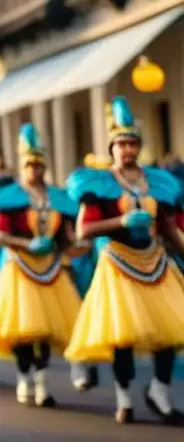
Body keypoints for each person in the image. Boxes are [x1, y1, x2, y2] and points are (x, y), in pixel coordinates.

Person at [65, 96, 184, 425]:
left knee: (170, 331)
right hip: (118, 265)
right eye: (121, 143)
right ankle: (124, 398)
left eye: (133, 143)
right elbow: (83, 230)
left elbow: (170, 228)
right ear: (111, 148)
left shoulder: (158, 182)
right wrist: (121, 223)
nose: (128, 149)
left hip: (155, 263)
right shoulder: (99, 184)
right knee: (123, 335)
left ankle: (159, 391)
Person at [0, 123, 81, 407]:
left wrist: (78, 245)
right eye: (29, 164)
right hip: (20, 269)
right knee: (25, 330)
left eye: (39, 164)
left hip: (51, 270)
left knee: (46, 332)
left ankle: (42, 384)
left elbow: (68, 235)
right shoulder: (11, 197)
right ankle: (24, 378)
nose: (34, 169)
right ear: (22, 165)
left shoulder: (58, 198)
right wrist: (27, 245)